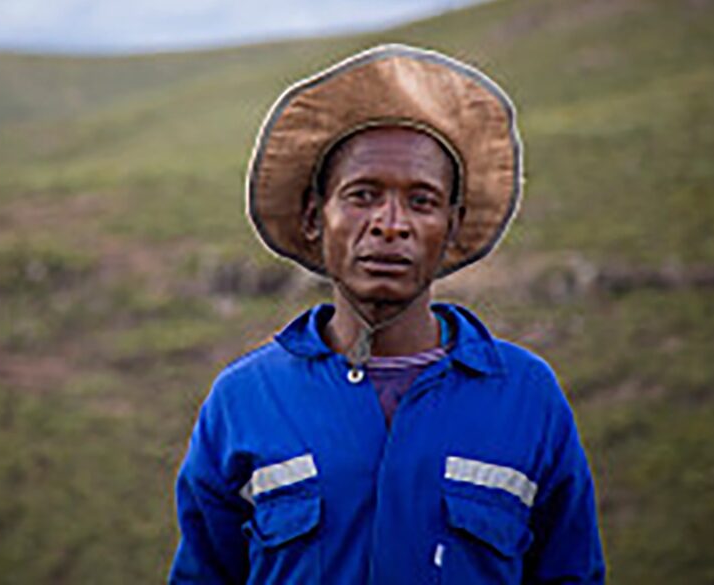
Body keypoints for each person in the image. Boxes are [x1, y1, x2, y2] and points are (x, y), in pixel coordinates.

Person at [169, 44, 605, 584]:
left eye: (421, 201)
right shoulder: (242, 401)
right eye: (362, 194)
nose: (390, 223)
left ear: (452, 225)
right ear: (314, 215)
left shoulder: (527, 396)